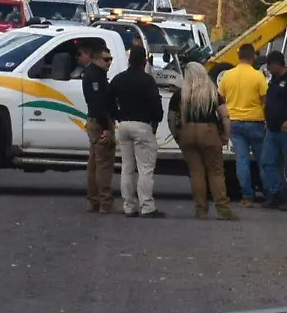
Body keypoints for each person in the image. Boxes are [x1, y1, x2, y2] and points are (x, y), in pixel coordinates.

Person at [169, 62, 238, 220]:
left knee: (196, 173)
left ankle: (200, 210)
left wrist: (177, 135)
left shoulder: (180, 94)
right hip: (208, 131)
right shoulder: (211, 93)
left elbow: (171, 118)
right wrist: (226, 135)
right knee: (215, 172)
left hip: (187, 132)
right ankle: (223, 210)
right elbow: (225, 116)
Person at [110, 45, 165, 218]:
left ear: (129, 60)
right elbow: (156, 107)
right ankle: (147, 207)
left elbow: (108, 100)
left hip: (124, 125)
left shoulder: (118, 79)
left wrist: (117, 115)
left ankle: (129, 206)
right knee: (145, 169)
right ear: (144, 61)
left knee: (127, 167)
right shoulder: (147, 80)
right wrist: (156, 119)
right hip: (142, 126)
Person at [217, 43, 268, 206]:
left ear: (238, 57)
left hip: (234, 123)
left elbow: (220, 98)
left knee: (242, 160)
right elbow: (265, 99)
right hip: (255, 122)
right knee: (263, 160)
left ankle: (246, 197)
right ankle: (269, 193)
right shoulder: (258, 76)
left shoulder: (227, 76)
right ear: (253, 57)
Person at [259, 50, 287, 211]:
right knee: (266, 161)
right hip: (272, 130)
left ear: (276, 64)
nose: (268, 70)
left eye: (269, 66)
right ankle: (276, 193)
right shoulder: (274, 80)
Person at [82, 45, 116, 214]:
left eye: (111, 59)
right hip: (100, 122)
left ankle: (93, 201)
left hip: (94, 121)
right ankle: (105, 203)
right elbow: (98, 104)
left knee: (95, 162)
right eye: (106, 59)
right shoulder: (95, 76)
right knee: (104, 163)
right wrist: (106, 129)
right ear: (96, 59)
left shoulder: (95, 74)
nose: (109, 62)